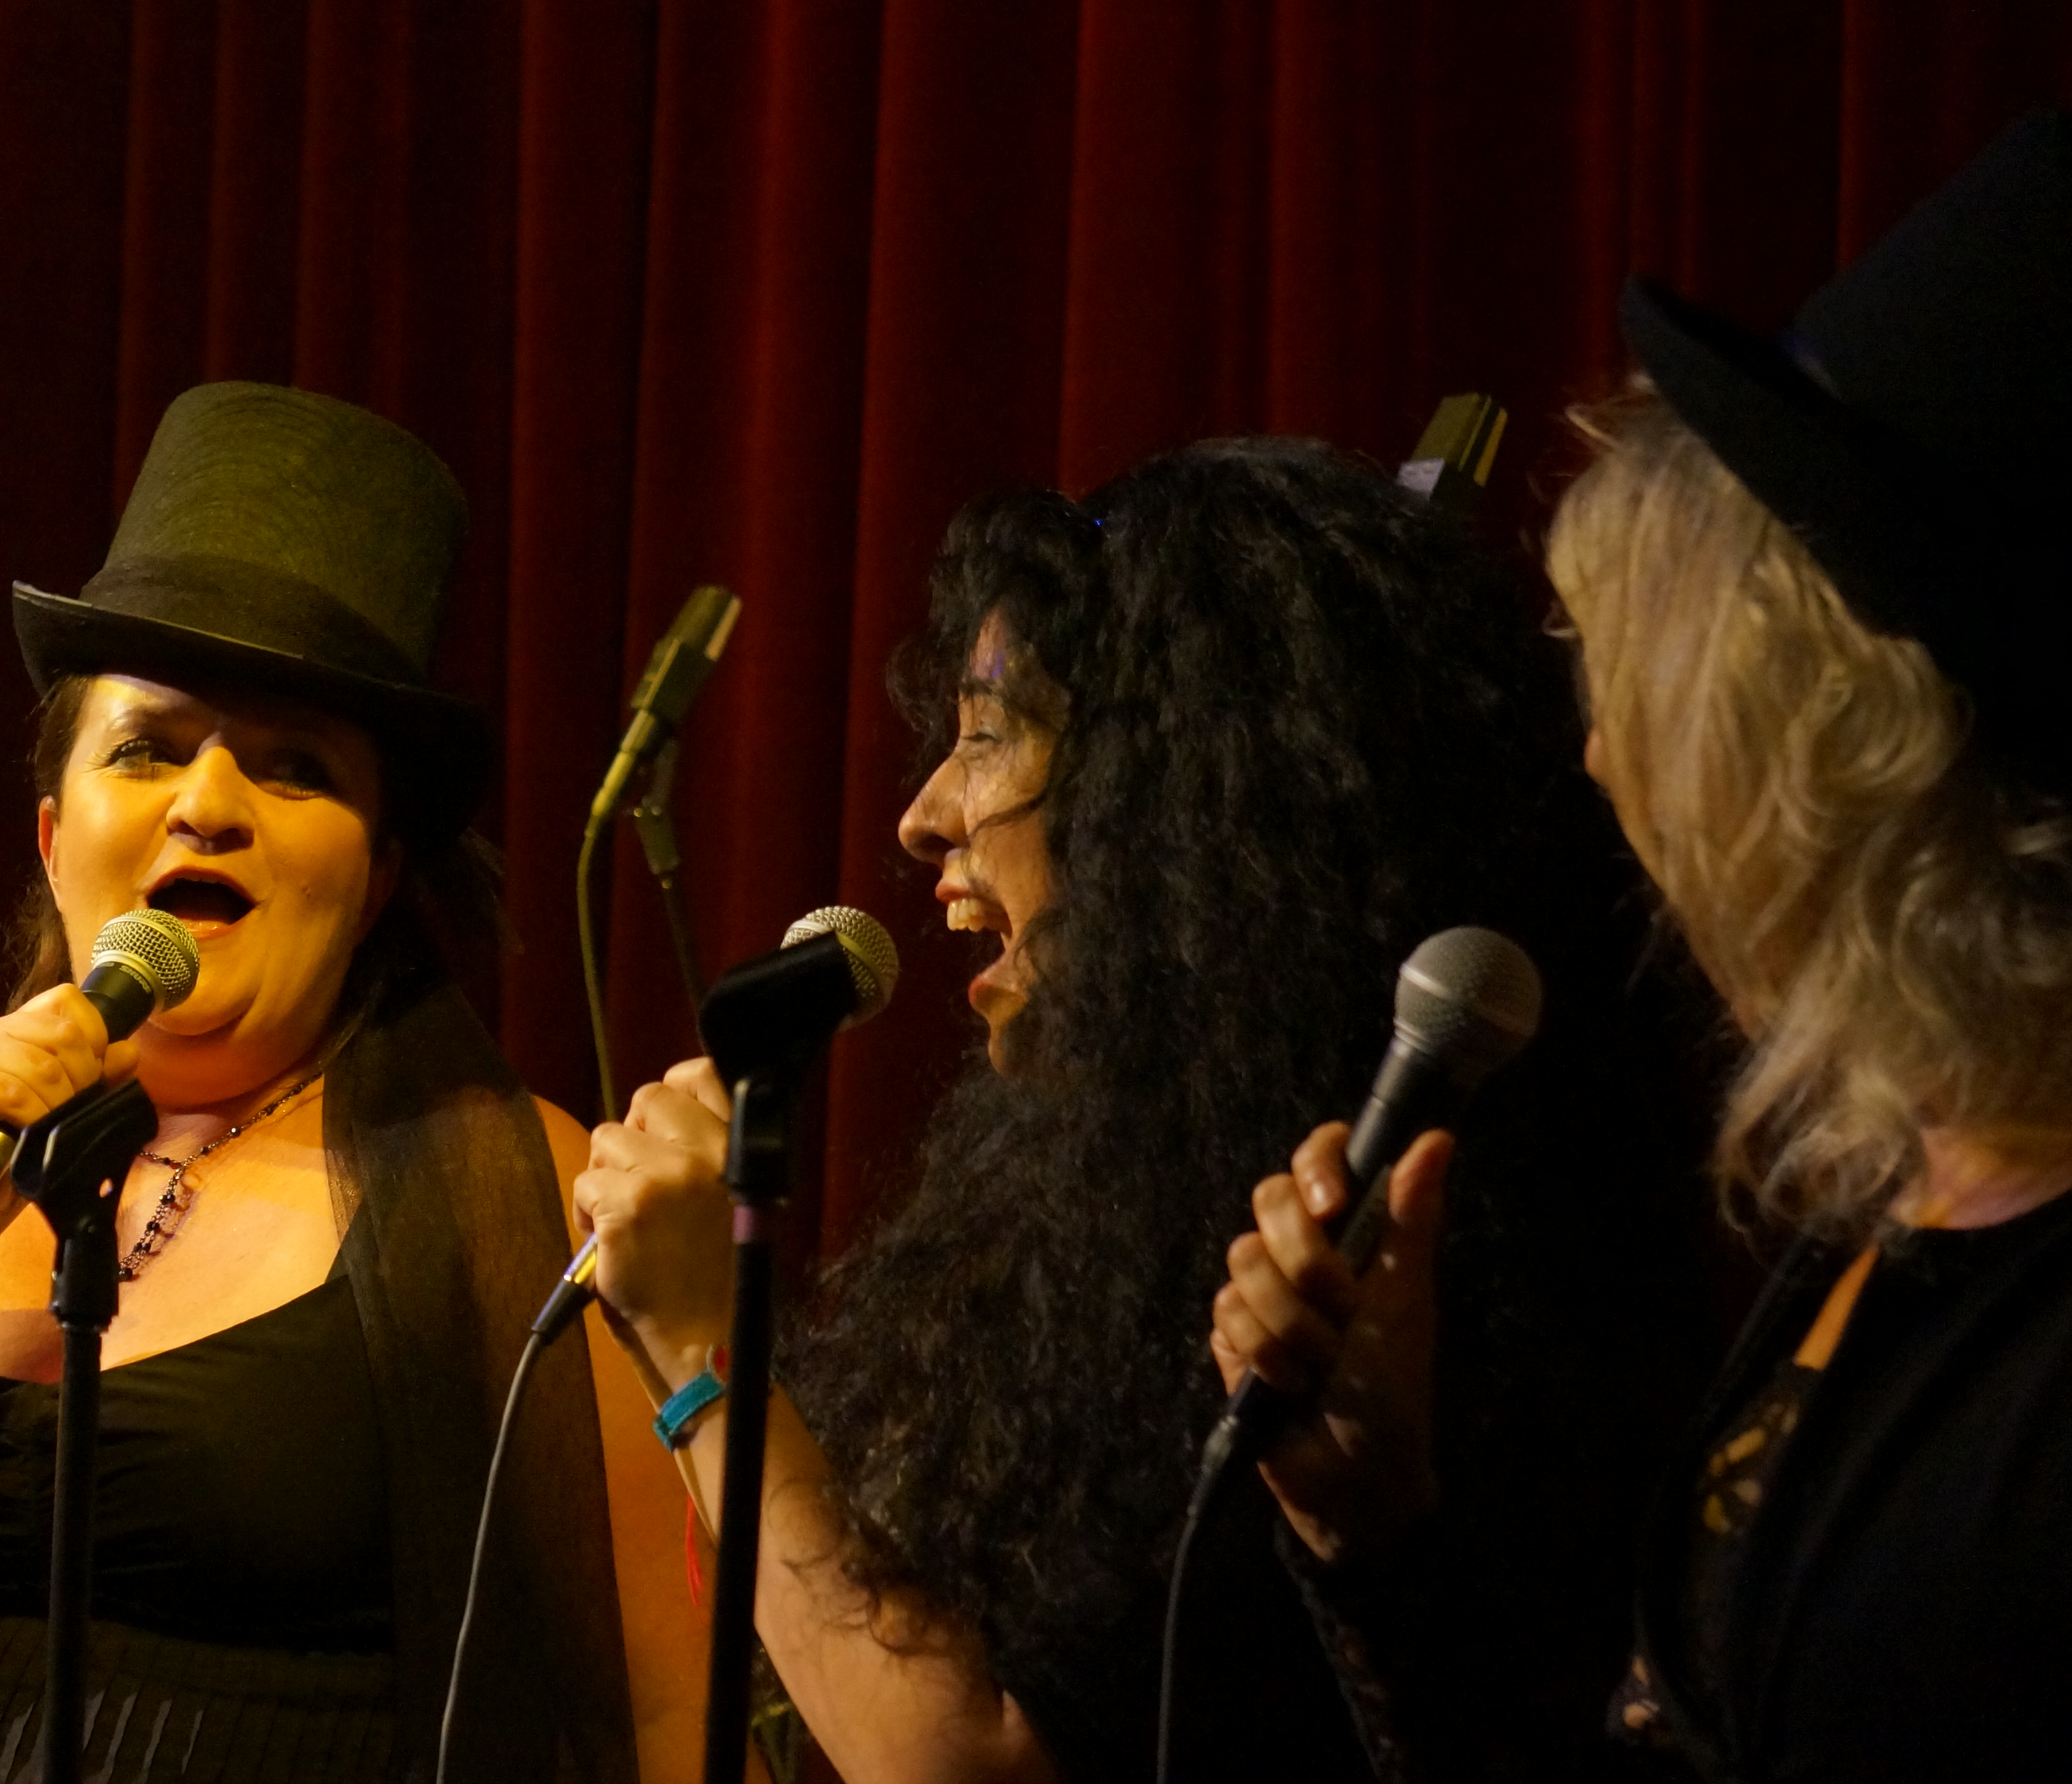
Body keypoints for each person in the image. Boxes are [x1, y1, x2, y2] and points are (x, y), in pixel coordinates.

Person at [0, 382, 704, 1783]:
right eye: (148, 749)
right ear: (55, 840)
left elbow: (665, 1715)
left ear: (374, 885)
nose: (207, 803)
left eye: (294, 768)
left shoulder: (516, 1189)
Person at [576, 440, 1720, 1781]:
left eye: (988, 737)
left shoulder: (1329, 1231)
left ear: (1178, 801)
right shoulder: (1140, 1183)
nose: (922, 816)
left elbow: (967, 1763)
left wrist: (706, 1355)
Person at [1213, 111, 2072, 1783]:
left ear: (1835, 753)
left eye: (1665, 700)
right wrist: (1378, 1526)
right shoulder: (1887, 1223)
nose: (1606, 762)